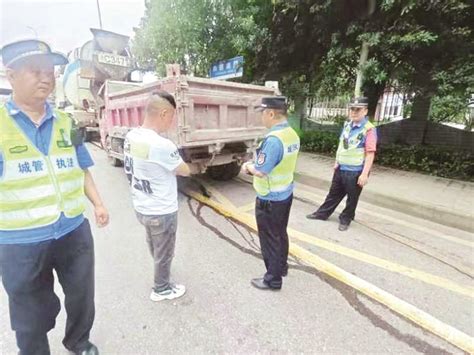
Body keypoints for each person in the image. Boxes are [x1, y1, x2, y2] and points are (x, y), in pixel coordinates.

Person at [0, 40, 109, 355]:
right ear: (10, 75)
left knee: (81, 297)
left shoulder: (66, 122)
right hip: (19, 242)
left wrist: (98, 204)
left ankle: (79, 341)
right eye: (35, 71)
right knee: (31, 314)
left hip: (72, 231)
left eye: (50, 71)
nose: (46, 78)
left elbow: (82, 168)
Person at [124, 90, 190, 302]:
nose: (171, 122)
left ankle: (161, 272)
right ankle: (161, 288)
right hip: (161, 210)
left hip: (142, 206)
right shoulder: (162, 144)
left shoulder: (132, 136)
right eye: (171, 117)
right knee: (165, 250)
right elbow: (184, 170)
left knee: (155, 243)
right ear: (163, 114)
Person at [242, 96, 300, 290]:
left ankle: (273, 279)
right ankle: (281, 267)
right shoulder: (292, 134)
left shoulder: (274, 140)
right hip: (285, 194)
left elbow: (261, 170)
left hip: (269, 199)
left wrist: (248, 166)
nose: (262, 118)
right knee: (280, 233)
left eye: (263, 114)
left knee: (270, 239)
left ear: (271, 113)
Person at [306, 97, 377, 231]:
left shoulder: (369, 129)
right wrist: (336, 161)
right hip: (341, 168)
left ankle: (346, 219)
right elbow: (341, 145)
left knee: (352, 198)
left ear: (365, 111)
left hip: (355, 171)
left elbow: (370, 153)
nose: (354, 112)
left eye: (358, 110)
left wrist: (364, 174)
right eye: (352, 109)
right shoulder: (347, 125)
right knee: (333, 194)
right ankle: (322, 213)